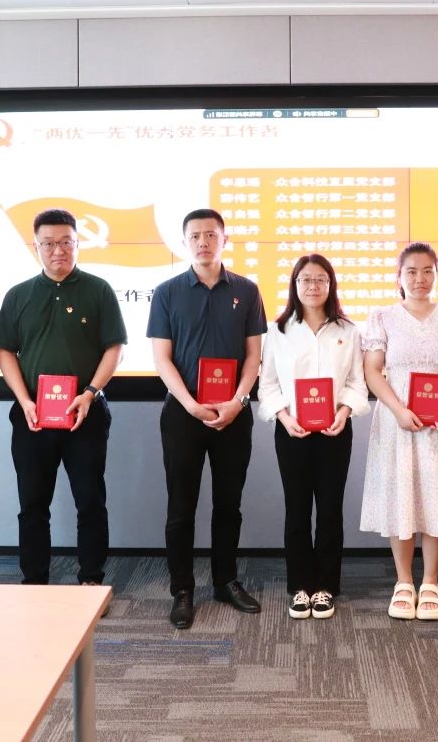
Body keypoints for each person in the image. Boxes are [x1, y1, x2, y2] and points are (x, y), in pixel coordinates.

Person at [0, 208, 126, 588]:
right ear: (35, 247)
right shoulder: (18, 295)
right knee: (32, 505)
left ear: (77, 243)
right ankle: (35, 582)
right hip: (32, 416)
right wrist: (24, 400)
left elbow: (115, 348)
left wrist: (90, 393)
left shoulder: (98, 290)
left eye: (66, 242)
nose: (58, 251)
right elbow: (5, 352)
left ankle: (90, 579)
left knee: (90, 501)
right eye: (49, 243)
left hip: (86, 413)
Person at [148, 209, 267, 629]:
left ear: (224, 239)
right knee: (181, 507)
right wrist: (189, 404)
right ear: (184, 242)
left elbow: (253, 355)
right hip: (183, 414)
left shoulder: (247, 291)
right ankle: (182, 590)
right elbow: (161, 358)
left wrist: (238, 400)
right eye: (195, 235)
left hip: (233, 413)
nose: (203, 241)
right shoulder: (167, 292)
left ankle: (225, 581)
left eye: (211, 234)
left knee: (228, 504)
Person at [360, 242, 438, 621]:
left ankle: (431, 582)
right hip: (398, 422)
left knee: (436, 496)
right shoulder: (382, 317)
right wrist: (398, 410)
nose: (420, 278)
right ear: (399, 276)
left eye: (427, 270)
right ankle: (404, 582)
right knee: (401, 496)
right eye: (411, 271)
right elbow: (373, 371)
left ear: (437, 274)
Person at [257, 254, 369, 620]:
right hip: (292, 431)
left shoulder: (348, 331)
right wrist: (284, 417)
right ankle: (300, 586)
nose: (313, 286)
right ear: (295, 285)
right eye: (305, 279)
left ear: (330, 284)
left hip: (335, 430)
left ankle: (325, 586)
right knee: (297, 508)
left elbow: (357, 382)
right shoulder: (278, 331)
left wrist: (344, 411)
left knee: (331, 509)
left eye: (320, 279)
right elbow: (267, 385)